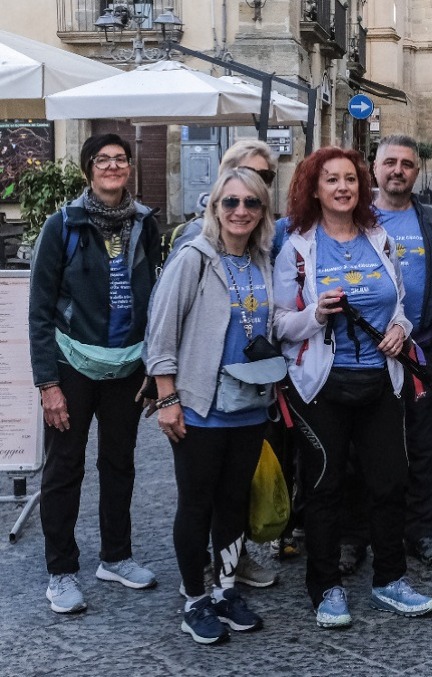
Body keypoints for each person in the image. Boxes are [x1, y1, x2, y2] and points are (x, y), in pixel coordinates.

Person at [274, 146, 432, 629]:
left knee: (389, 483)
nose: (343, 187)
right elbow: (279, 322)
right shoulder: (298, 246)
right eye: (332, 180)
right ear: (314, 188)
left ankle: (390, 579)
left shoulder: (379, 237)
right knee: (324, 488)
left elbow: (400, 302)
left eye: (350, 179)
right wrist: (315, 315)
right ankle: (326, 588)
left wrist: (401, 329)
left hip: (380, 381)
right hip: (322, 385)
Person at [29, 133, 160, 614]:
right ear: (88, 170)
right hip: (71, 365)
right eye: (102, 160)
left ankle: (116, 556)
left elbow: (154, 302)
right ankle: (61, 571)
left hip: (126, 365)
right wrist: (48, 384)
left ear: (129, 169)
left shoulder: (145, 224)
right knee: (64, 469)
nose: (112, 166)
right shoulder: (61, 225)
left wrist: (150, 369)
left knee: (119, 464)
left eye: (119, 159)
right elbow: (39, 311)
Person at [146, 167, 277, 644]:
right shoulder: (193, 258)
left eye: (251, 203)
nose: (240, 211)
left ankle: (224, 589)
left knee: (233, 503)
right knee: (196, 503)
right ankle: (194, 599)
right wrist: (168, 398)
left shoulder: (263, 260)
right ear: (215, 208)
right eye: (230, 202)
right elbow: (161, 332)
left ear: (263, 211)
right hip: (200, 406)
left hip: (249, 406)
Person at [372, 134, 432, 568]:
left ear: (416, 173)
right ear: (375, 168)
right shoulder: (354, 217)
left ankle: (419, 531)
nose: (398, 170)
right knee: (363, 450)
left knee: (423, 444)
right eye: (390, 163)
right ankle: (357, 534)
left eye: (406, 164)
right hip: (368, 354)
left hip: (423, 352)